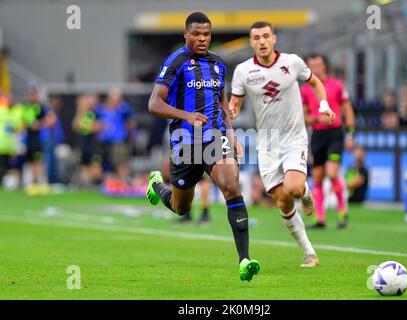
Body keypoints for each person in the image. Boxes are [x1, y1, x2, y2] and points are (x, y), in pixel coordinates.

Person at [145, 12, 260, 281]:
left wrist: (231, 134)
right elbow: (154, 103)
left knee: (231, 186)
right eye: (196, 33)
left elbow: (222, 104)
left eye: (206, 34)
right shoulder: (175, 62)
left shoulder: (219, 64)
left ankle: (244, 260)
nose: (202, 38)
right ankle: (157, 186)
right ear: (186, 34)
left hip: (214, 137)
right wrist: (186, 116)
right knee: (181, 206)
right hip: (185, 143)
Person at [229, 21, 336, 267]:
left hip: (293, 137)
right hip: (267, 144)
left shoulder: (292, 62)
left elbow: (316, 82)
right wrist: (233, 109)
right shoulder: (243, 71)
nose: (262, 41)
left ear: (274, 39)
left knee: (295, 188)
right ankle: (310, 253)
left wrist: (323, 105)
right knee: (283, 200)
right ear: (251, 42)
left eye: (266, 36)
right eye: (256, 38)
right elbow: (235, 100)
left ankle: (306, 193)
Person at [301, 53, 355, 229]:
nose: (315, 69)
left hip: (335, 134)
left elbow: (347, 109)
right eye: (312, 66)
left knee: (332, 174)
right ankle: (320, 218)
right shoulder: (306, 89)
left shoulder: (337, 86)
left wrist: (351, 133)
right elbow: (304, 116)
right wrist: (317, 120)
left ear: (325, 66)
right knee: (317, 178)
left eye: (318, 65)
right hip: (318, 135)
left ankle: (342, 212)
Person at [95, 89, 135, 180]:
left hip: (118, 142)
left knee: (120, 164)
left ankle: (123, 181)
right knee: (105, 165)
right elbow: (95, 123)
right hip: (103, 143)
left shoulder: (123, 109)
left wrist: (129, 136)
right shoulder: (100, 109)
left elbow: (130, 122)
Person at [72, 94, 103, 186]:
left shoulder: (95, 113)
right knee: (85, 166)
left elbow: (99, 126)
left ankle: (95, 184)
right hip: (84, 145)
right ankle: (87, 186)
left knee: (96, 168)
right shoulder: (82, 114)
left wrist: (89, 127)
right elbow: (76, 126)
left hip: (93, 144)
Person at [22, 87, 48, 185]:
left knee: (38, 159)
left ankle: (38, 180)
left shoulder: (40, 107)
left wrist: (38, 124)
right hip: (28, 139)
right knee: (30, 160)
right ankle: (31, 180)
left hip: (38, 138)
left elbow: (47, 120)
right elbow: (23, 121)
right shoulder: (25, 106)